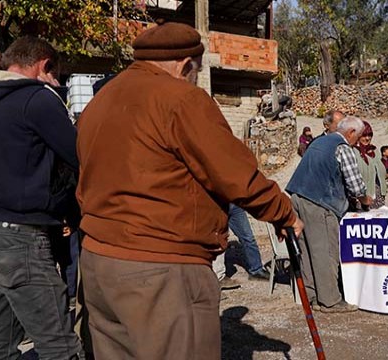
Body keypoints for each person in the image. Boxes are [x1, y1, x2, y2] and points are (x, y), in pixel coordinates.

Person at [76, 22, 303, 360]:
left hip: (98, 265)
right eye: (196, 72)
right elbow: (235, 173)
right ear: (186, 65)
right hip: (160, 270)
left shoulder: (103, 98)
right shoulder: (180, 98)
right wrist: (283, 213)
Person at [0, 36, 83, 359]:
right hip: (23, 238)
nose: (57, 84)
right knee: (59, 344)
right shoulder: (37, 99)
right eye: (56, 76)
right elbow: (80, 157)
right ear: (44, 66)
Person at [286, 116, 372, 313]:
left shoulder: (319, 142)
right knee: (325, 252)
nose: (357, 142)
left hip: (297, 198)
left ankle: (311, 296)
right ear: (350, 133)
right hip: (320, 202)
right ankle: (330, 300)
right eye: (357, 137)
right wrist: (366, 200)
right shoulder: (342, 147)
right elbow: (356, 186)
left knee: (306, 251)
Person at [352, 120, 388, 209]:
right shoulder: (353, 151)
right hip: (362, 198)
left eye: (369, 135)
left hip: (378, 196)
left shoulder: (375, 151)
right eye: (364, 135)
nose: (367, 138)